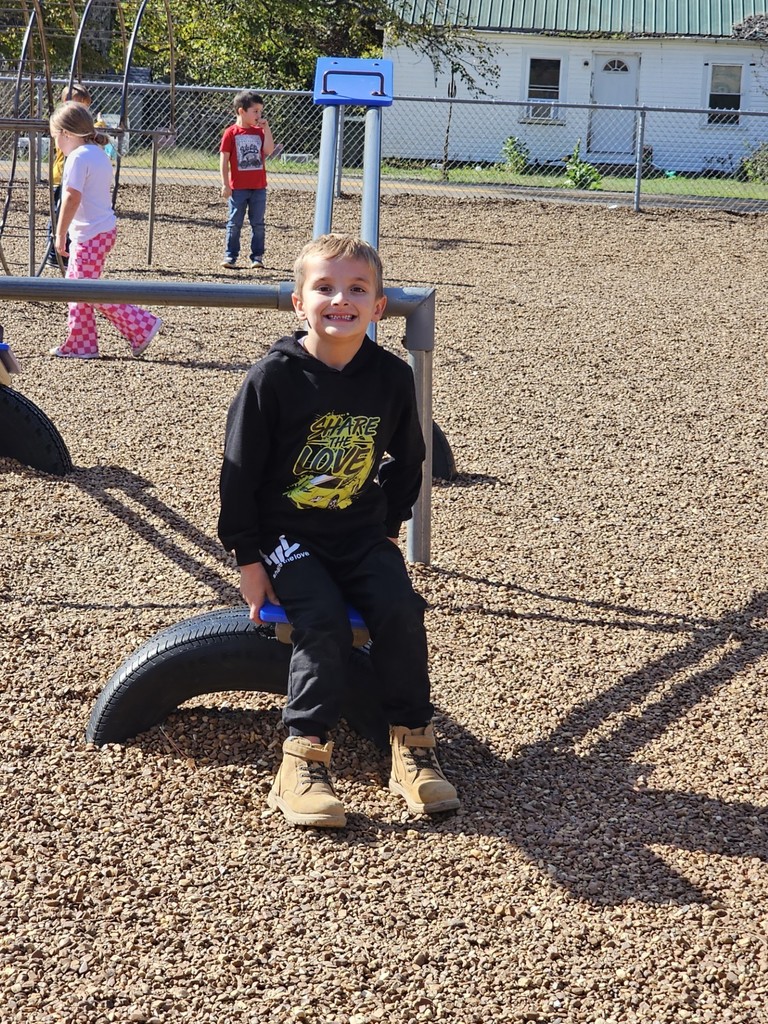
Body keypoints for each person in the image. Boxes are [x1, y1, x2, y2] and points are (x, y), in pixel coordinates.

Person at [218, 234, 460, 829]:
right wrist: (250, 561)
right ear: (299, 300)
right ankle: (301, 758)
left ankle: (411, 745)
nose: (340, 300)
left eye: (357, 289)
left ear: (378, 306)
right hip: (286, 535)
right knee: (321, 619)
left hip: (359, 534)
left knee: (401, 608)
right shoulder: (271, 379)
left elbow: (409, 459)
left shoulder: (391, 379)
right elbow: (239, 475)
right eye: (324, 288)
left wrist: (389, 528)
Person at [48, 102, 162, 360]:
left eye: (55, 136)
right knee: (79, 288)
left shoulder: (77, 157)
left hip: (90, 233)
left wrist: (59, 232)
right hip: (101, 230)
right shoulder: (97, 152)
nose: (55, 142)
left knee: (85, 290)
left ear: (66, 133)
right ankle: (81, 343)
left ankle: (142, 326)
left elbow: (72, 197)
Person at [45, 83, 106, 269]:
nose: (84, 112)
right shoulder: (83, 147)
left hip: (77, 187)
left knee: (82, 286)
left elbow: (73, 199)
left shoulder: (80, 154)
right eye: (80, 107)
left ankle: (59, 248)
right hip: (62, 178)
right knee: (58, 214)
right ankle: (54, 254)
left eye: (85, 109)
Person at [219, 90, 274, 270]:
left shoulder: (260, 132)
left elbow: (268, 150)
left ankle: (257, 256)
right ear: (242, 111)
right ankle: (230, 256)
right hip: (238, 188)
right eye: (255, 111)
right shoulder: (231, 133)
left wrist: (267, 129)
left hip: (258, 187)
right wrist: (225, 184)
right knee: (234, 223)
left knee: (258, 223)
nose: (259, 115)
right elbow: (224, 160)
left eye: (260, 111)